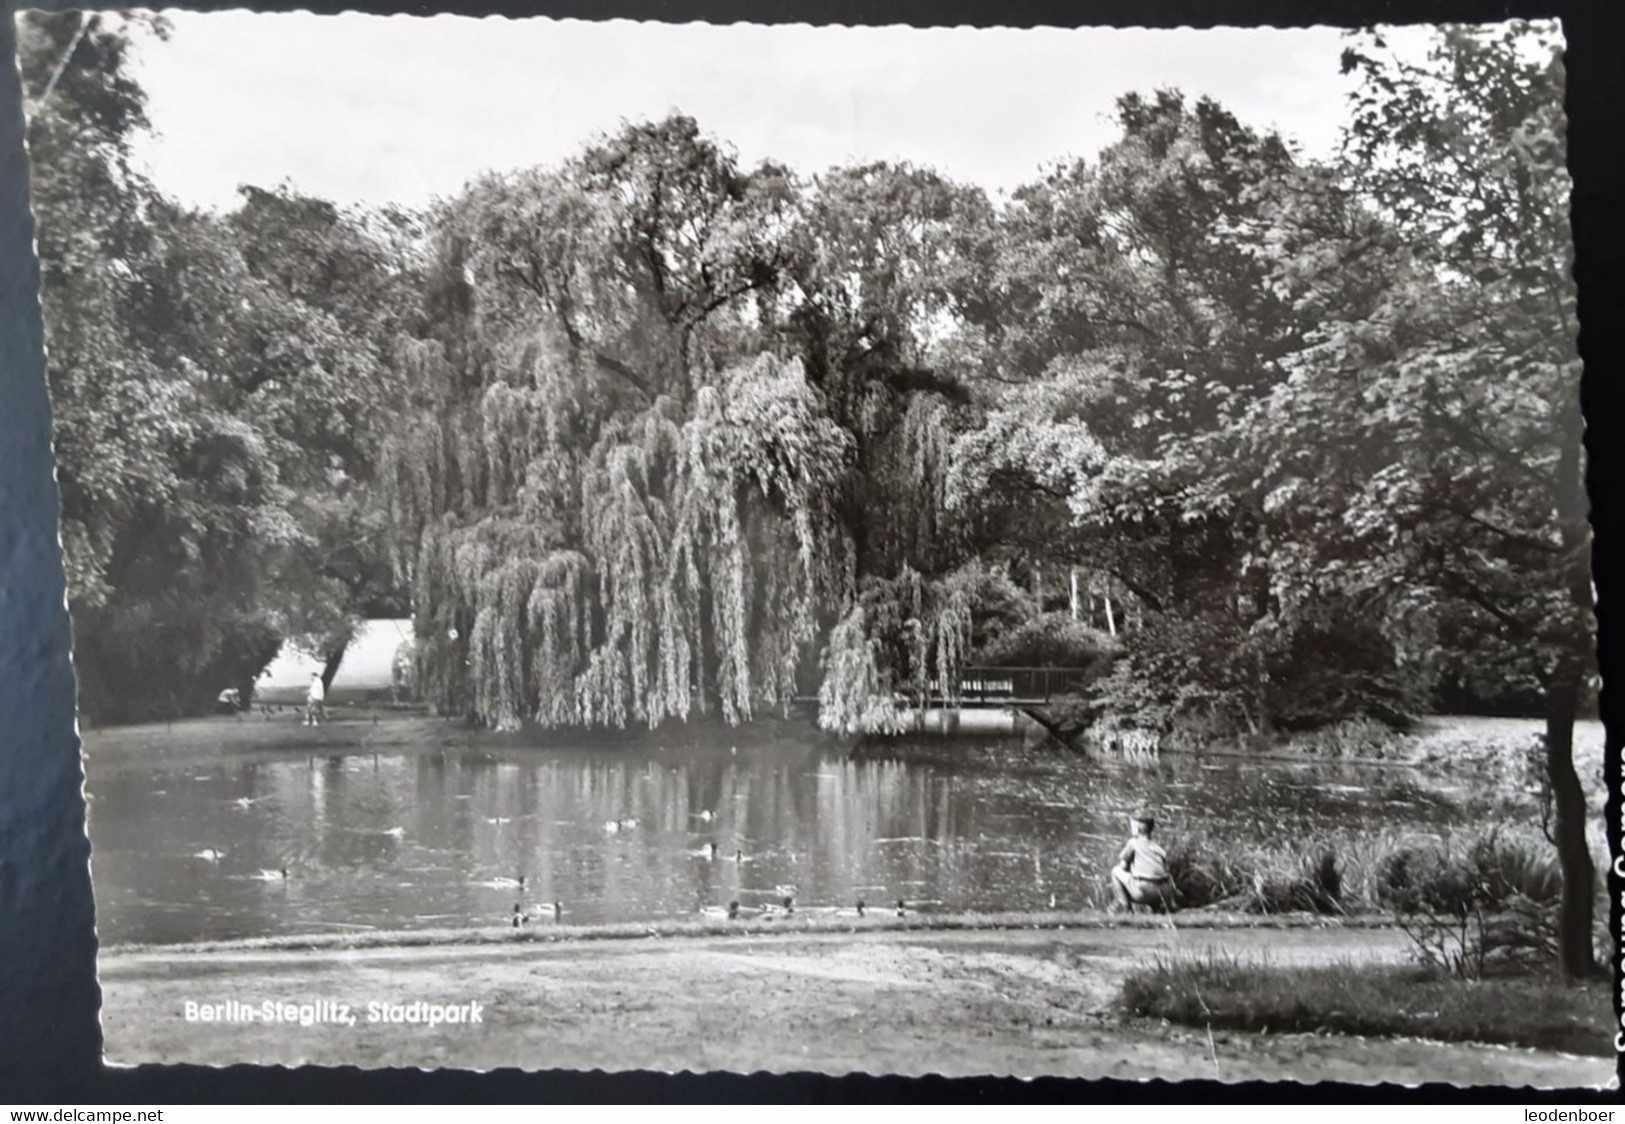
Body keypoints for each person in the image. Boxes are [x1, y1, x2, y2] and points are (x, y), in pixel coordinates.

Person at [1112, 812, 1176, 913]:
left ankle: (1126, 909)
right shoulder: (1158, 848)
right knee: (1156, 877)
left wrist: (1130, 866)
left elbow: (1123, 867)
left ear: (1137, 829)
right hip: (1162, 892)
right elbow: (1163, 868)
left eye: (1131, 826)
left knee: (1115, 871)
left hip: (1143, 890)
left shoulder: (1133, 843)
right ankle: (1163, 909)